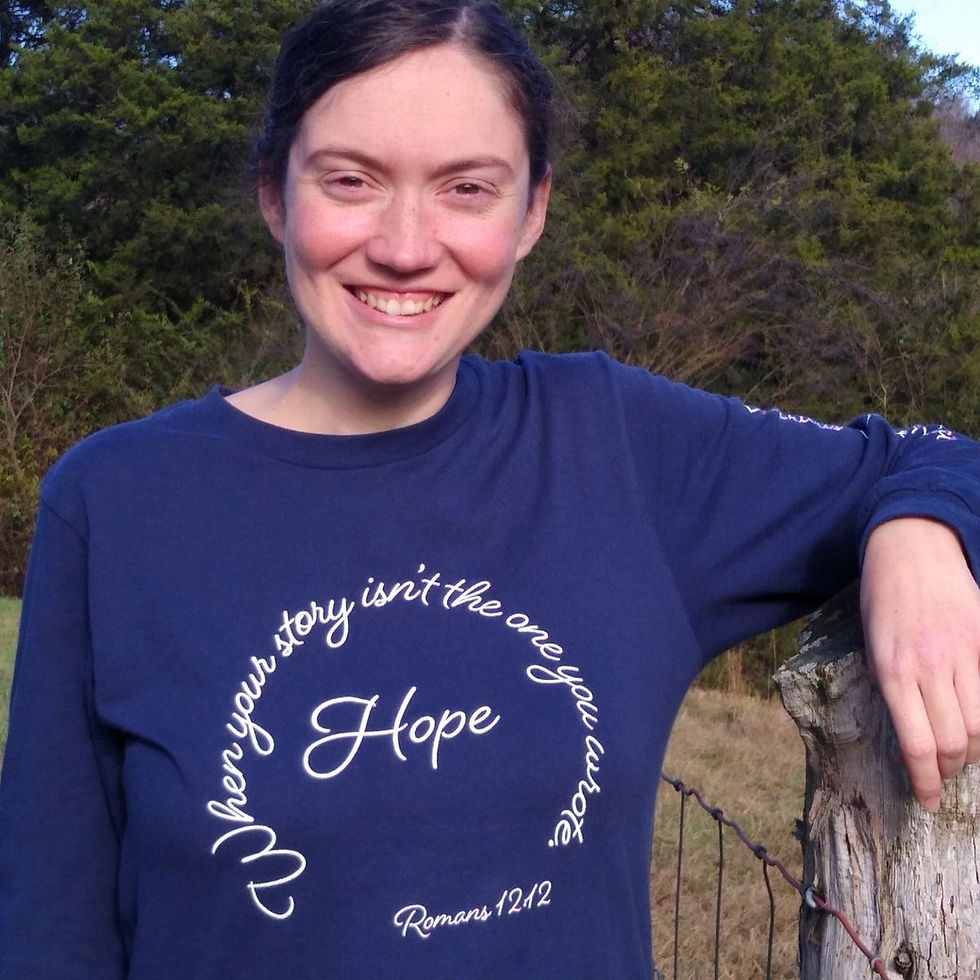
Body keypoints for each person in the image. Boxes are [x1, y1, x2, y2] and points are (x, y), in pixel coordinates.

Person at [0, 0, 978, 976]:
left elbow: (929, 455)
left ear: (531, 212)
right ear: (274, 193)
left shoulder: (616, 447)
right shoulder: (116, 501)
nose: (405, 245)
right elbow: (50, 923)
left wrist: (919, 533)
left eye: (466, 188)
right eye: (350, 180)